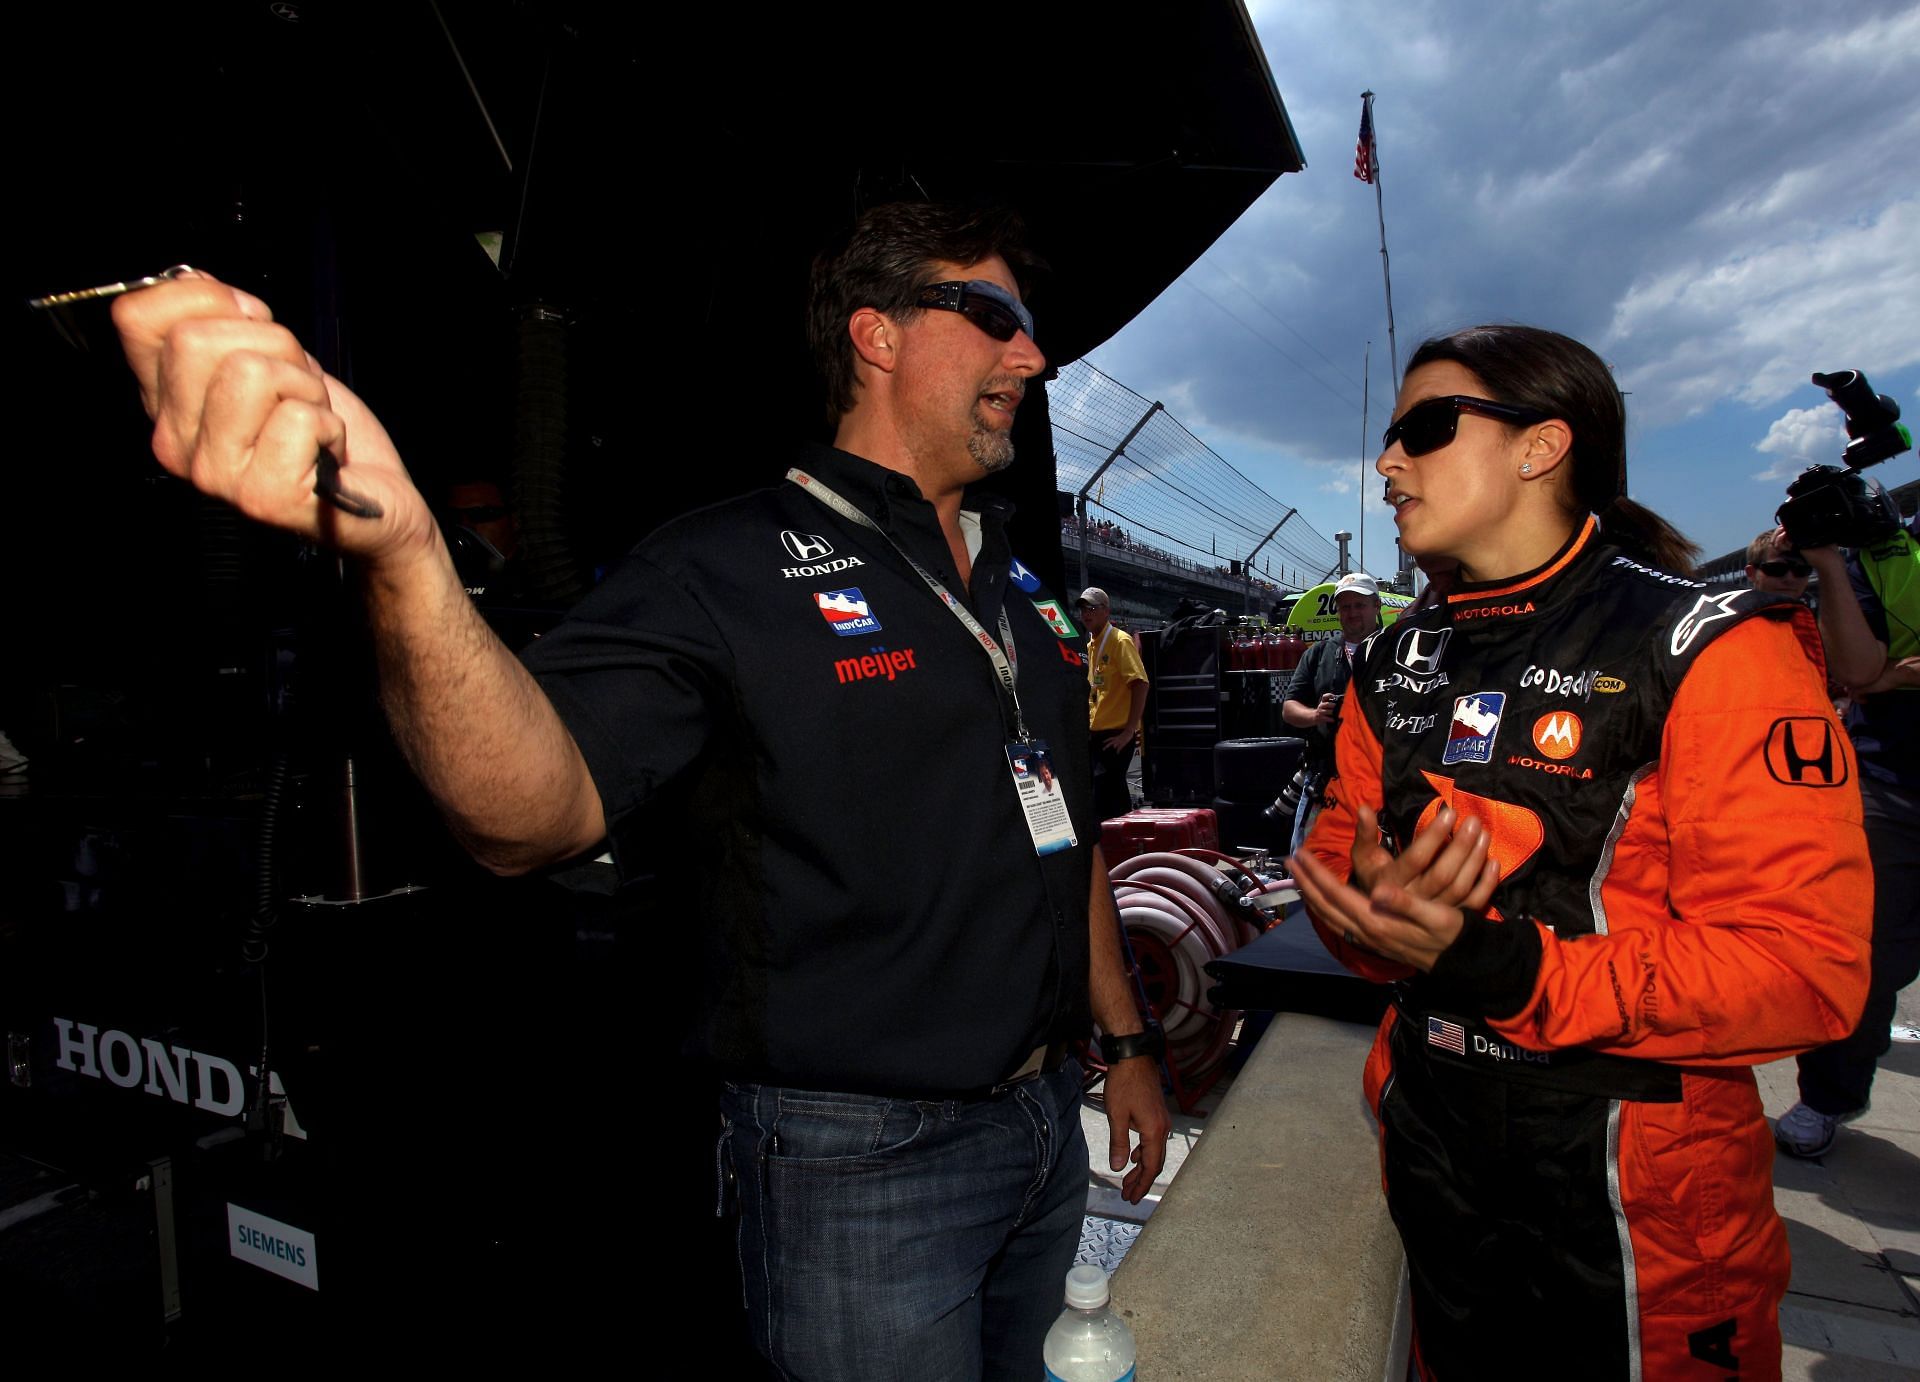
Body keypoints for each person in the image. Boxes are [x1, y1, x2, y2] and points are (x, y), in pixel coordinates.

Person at [111, 201, 1171, 1380]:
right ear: (875, 335)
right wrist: (407, 557)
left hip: (1042, 1130)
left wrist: (1125, 1043)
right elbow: (530, 813)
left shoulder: (1019, 591)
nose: (1032, 355)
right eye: (993, 319)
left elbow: (1060, 838)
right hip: (864, 1165)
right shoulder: (724, 562)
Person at [1288, 324, 1871, 1380]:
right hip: (1432, 1135)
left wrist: (1502, 966)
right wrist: (1368, 907)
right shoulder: (1393, 662)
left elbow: (1804, 970)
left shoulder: (1713, 648)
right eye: (1388, 437)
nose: (1386, 463)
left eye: (1423, 427)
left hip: (1637, 1170)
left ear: (1540, 445)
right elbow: (1342, 864)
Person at [1774, 499, 1918, 1158]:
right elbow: (1856, 673)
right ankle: (1828, 1096)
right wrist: (1830, 561)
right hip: (1890, 786)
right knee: (1862, 958)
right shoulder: (1887, 554)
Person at [1280, 571, 1383, 854]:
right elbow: (1289, 708)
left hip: (1383, 779)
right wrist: (1315, 715)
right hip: (1326, 778)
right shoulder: (1318, 654)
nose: (1352, 613)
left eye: (1360, 605)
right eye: (1345, 607)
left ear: (1376, 606)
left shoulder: (1397, 649)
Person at [1077, 585, 1147, 820]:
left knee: (1107, 796)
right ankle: (1118, 846)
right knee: (1106, 797)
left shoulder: (1119, 641)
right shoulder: (1090, 646)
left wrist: (1129, 731)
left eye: (1092, 608)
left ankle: (1121, 847)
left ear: (1106, 611)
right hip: (1096, 736)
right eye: (1083, 609)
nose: (1086, 614)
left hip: (1115, 735)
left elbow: (1140, 683)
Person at [1743, 527, 1811, 599]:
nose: (1790, 579)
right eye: (1777, 569)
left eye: (1801, 570)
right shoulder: (1734, 609)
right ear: (1751, 573)